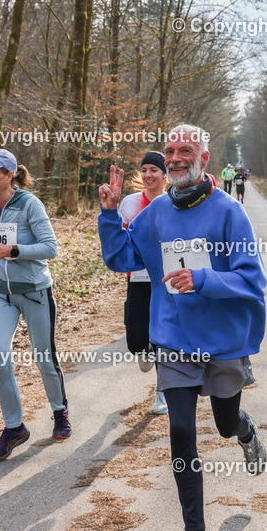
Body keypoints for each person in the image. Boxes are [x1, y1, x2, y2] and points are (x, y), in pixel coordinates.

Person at [97, 125, 267, 531]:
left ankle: (244, 429)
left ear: (204, 158)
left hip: (223, 339)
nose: (174, 158)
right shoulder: (154, 214)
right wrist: (109, 215)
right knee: (181, 433)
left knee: (224, 423)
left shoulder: (229, 211)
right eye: (169, 151)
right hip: (173, 337)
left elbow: (253, 280)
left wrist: (203, 278)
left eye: (184, 151)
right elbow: (122, 259)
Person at [0, 148, 71, 461]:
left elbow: (50, 248)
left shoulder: (29, 204)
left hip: (35, 292)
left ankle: (60, 410)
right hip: (1, 293)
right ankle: (14, 428)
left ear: (8, 176)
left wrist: (13, 251)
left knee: (44, 358)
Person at [117, 151, 169, 415]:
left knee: (164, 337)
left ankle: (162, 393)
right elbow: (118, 239)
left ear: (164, 175)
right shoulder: (129, 203)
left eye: (154, 170)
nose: (148, 175)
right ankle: (143, 349)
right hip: (137, 277)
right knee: (136, 338)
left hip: (165, 279)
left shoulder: (173, 202)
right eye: (145, 170)